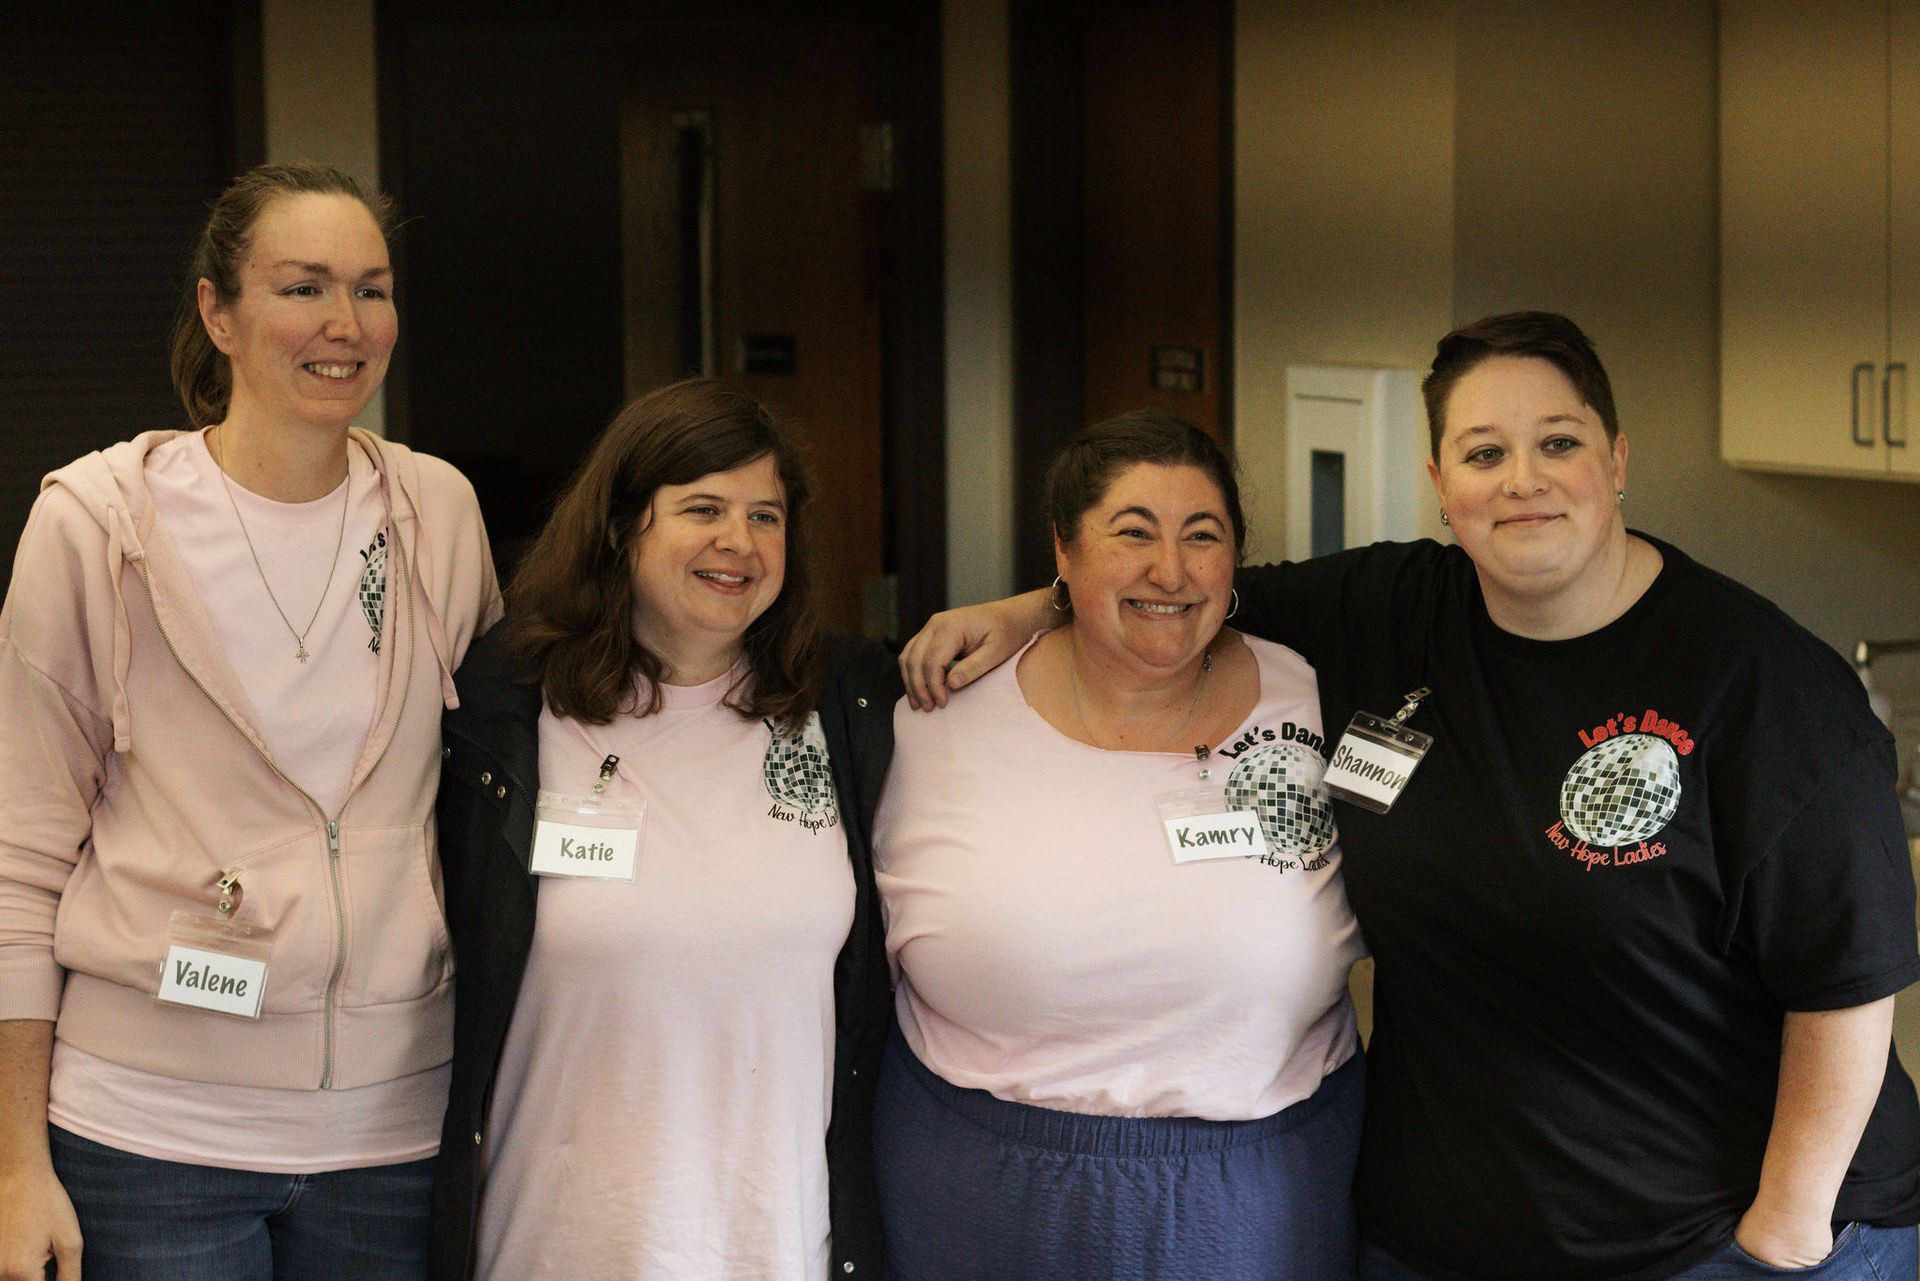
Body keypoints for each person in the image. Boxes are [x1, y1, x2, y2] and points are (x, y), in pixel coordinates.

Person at [899, 313, 1920, 1281]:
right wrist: (1022, 606)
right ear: (1440, 482)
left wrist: (1781, 1237)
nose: (1523, 481)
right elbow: (1180, 591)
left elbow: (1845, 983)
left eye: (1557, 444)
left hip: (1707, 1240)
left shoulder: (1761, 683)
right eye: (1484, 454)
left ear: (1616, 460)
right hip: (1440, 1239)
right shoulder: (1390, 614)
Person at [0, 161, 500, 1281]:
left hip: (392, 1138)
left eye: (372, 289)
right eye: (304, 287)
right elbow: (18, 858)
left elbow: (488, 795)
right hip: (147, 1137)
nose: (346, 324)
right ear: (217, 313)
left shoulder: (439, 515)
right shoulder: (95, 525)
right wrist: (14, 1168)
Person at [873, 411, 1366, 1280]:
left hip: (1260, 1204)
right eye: (1131, 534)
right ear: (1063, 550)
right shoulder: (935, 712)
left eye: (1201, 535)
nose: (1169, 570)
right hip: (977, 1197)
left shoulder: (1326, 694)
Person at [428, 380, 897, 1281]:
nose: (740, 542)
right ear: (619, 524)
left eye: (766, 515)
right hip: (554, 1245)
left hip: (774, 1249)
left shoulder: (845, 700)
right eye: (703, 508)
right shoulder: (500, 706)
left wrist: (1035, 605)